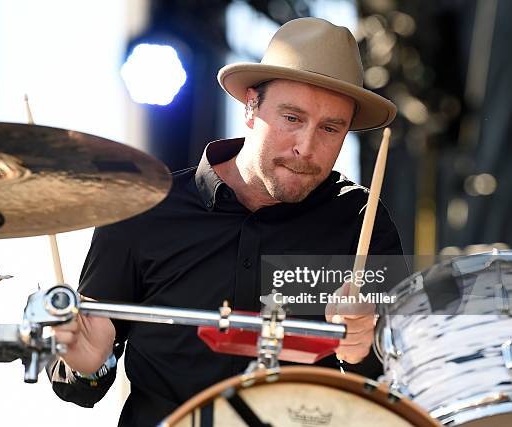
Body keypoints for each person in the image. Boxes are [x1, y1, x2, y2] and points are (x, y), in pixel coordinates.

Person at [48, 17, 404, 426]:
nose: (307, 147)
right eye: (292, 118)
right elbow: (75, 387)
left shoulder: (361, 220)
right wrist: (87, 365)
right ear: (251, 106)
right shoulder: (143, 212)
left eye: (330, 128)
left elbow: (398, 389)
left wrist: (361, 354)